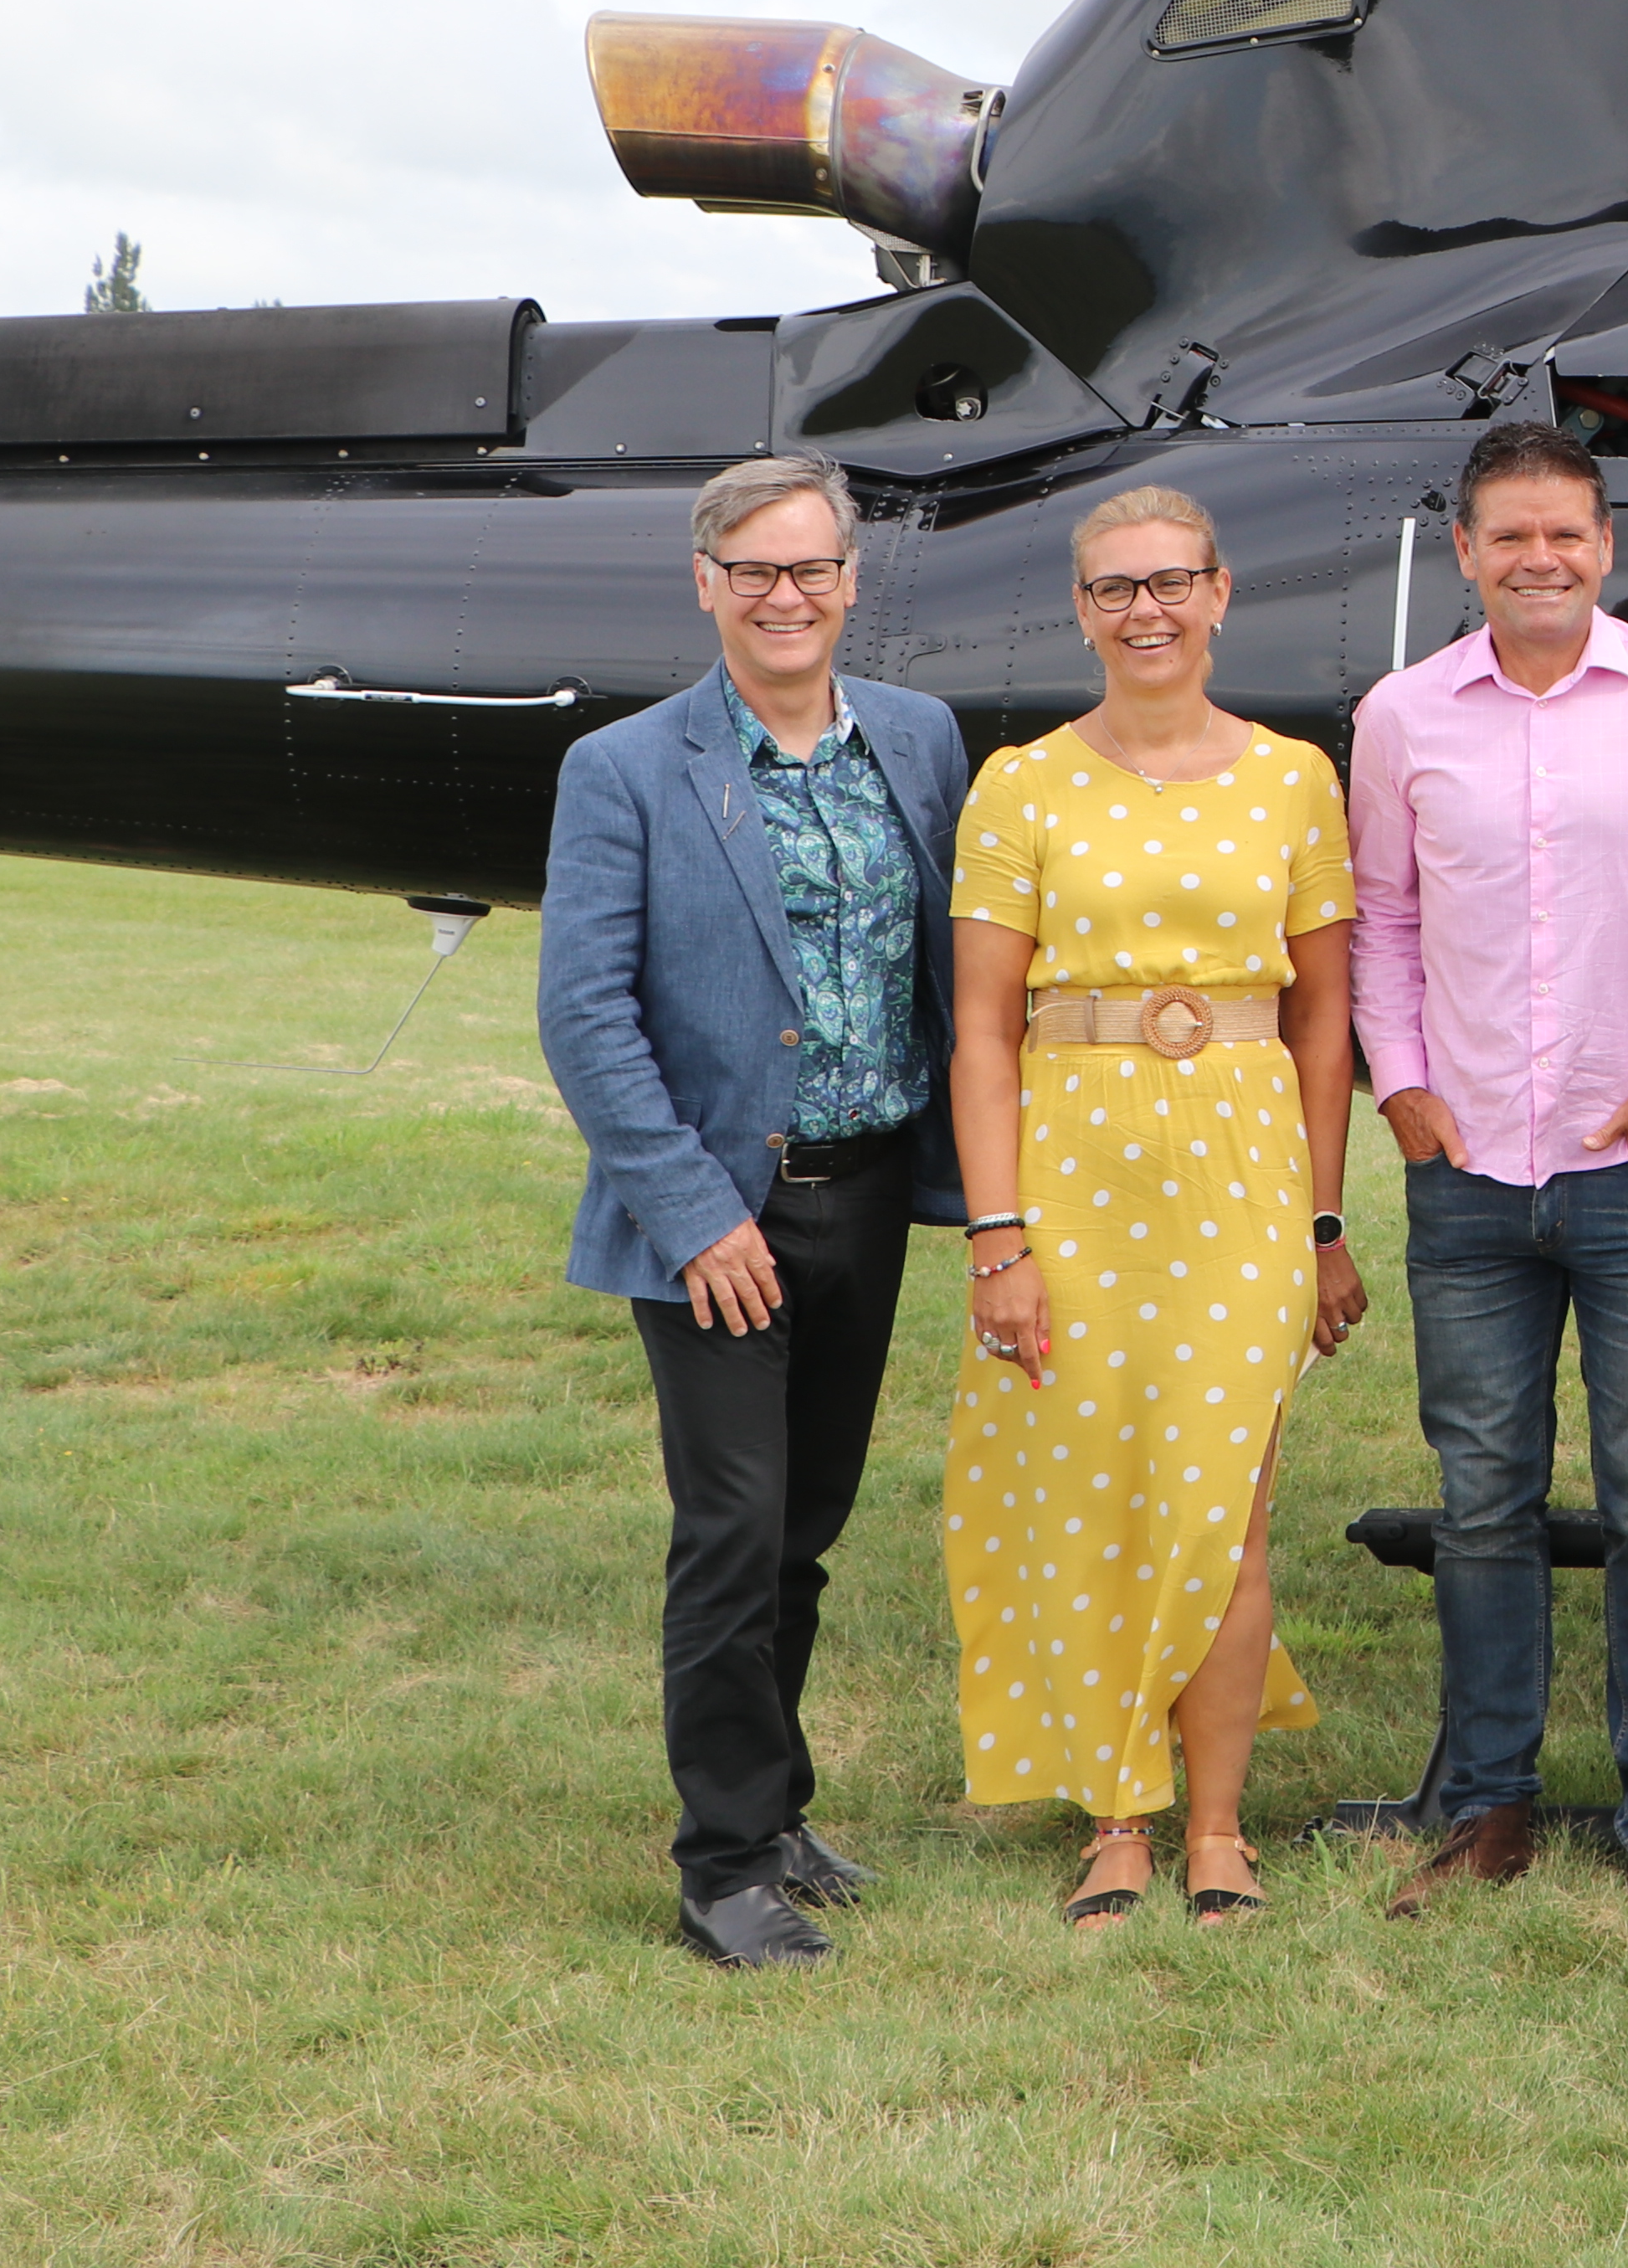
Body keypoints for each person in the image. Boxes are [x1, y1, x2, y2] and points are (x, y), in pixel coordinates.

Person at [539, 453, 972, 1971]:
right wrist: (692, 1214)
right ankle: (721, 1868)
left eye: (811, 569)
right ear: (707, 584)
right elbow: (588, 1016)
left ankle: (778, 1809)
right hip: (715, 1215)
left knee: (805, 1526)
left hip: (864, 1195)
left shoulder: (919, 741)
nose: (784, 597)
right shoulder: (628, 769)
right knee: (730, 1529)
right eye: (752, 571)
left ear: (851, 581)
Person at [1352, 423, 1628, 1920]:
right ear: (1463, 553)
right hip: (1466, 1172)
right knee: (1482, 1501)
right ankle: (1491, 1802)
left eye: (1568, 535)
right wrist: (1399, 1087)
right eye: (1509, 537)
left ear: (1608, 547)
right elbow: (1383, 923)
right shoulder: (1403, 715)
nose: (1541, 559)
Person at [940, 484, 1369, 1933]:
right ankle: (1116, 1818)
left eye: (1172, 582)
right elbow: (983, 1033)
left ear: (1222, 593)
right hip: (1076, 1169)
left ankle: (1220, 1828)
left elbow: (1326, 1030)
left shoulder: (1298, 781)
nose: (1147, 610)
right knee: (1092, 1501)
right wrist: (1000, 1239)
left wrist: (1323, 1221)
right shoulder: (1022, 786)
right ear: (1082, 610)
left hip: (1243, 1174)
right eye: (1117, 588)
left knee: (1223, 1511)